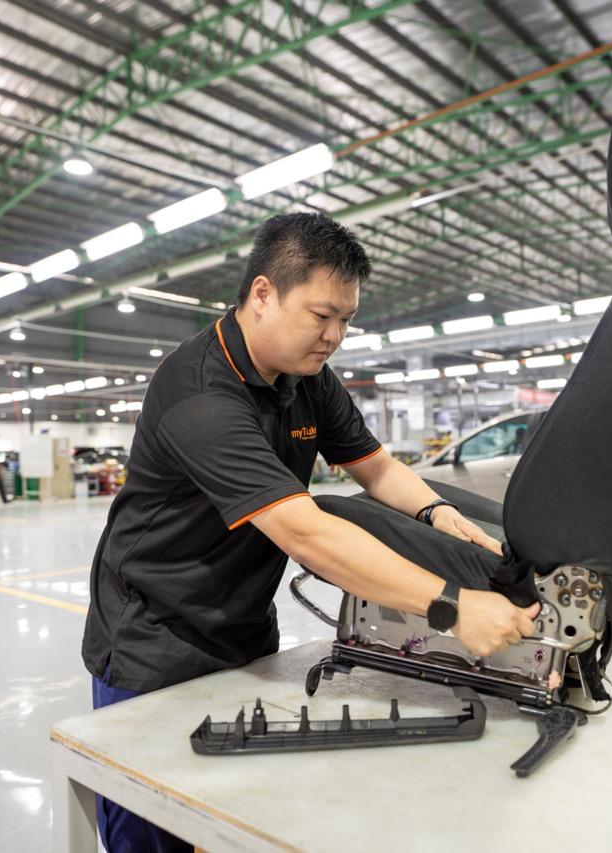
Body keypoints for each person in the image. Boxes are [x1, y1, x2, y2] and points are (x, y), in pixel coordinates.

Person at [81, 212, 539, 853]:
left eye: (346, 320)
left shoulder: (308, 379)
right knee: (154, 829)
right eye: (322, 315)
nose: (335, 336)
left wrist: (438, 514)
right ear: (263, 294)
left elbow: (376, 468)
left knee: (232, 814)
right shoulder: (200, 392)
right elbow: (305, 532)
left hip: (244, 626)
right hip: (153, 640)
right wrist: (452, 606)